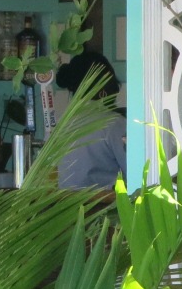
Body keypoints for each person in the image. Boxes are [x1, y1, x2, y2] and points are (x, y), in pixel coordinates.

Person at [52, 50, 128, 190]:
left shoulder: (61, 124)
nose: (117, 91)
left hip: (64, 202)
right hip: (106, 202)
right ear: (103, 87)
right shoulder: (113, 123)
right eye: (114, 84)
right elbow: (136, 171)